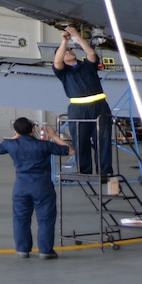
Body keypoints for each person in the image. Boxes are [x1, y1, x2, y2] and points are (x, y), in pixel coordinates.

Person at [0, 116, 70, 259]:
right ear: (33, 129)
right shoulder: (44, 145)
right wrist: (53, 136)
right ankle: (45, 251)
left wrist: (16, 135)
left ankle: (22, 249)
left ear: (16, 130)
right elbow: (69, 150)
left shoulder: (10, 144)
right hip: (42, 186)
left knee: (21, 219)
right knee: (45, 219)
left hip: (21, 186)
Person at [52, 25, 114, 177]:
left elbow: (91, 52)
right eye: (65, 52)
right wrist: (64, 42)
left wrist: (77, 36)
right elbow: (57, 62)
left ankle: (105, 173)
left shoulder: (88, 66)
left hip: (99, 107)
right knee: (81, 141)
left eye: (70, 50)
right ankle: (85, 172)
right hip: (78, 109)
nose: (68, 52)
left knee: (103, 140)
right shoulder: (63, 72)